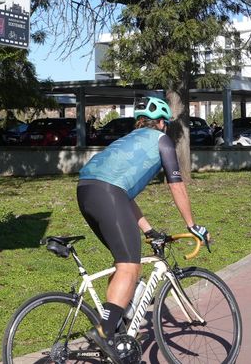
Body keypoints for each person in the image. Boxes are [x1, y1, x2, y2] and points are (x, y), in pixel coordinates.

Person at [77, 96, 210, 363]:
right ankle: (105, 330)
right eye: (166, 124)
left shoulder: (128, 140)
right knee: (129, 265)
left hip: (85, 191)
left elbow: (122, 197)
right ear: (162, 123)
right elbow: (176, 184)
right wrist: (192, 225)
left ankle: (113, 328)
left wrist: (149, 231)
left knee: (123, 261)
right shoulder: (162, 140)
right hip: (108, 194)